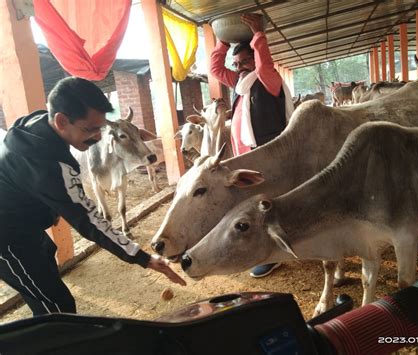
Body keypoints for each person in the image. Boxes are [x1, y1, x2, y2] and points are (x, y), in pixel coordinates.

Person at [0, 77, 186, 316]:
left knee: (45, 263)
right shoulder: (48, 166)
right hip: (7, 238)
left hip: (25, 225)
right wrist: (142, 258)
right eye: (90, 129)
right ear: (61, 121)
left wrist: (49, 209)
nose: (98, 137)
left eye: (100, 128)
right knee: (56, 306)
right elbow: (89, 221)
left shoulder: (38, 126)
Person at [210, 13, 294, 278]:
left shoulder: (268, 81)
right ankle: (266, 249)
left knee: (268, 204)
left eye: (245, 60)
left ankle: (272, 253)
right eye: (236, 63)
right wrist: (221, 43)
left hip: (268, 155)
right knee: (255, 204)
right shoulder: (240, 84)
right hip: (247, 156)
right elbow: (215, 70)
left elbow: (264, 63)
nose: (239, 66)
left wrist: (258, 35)